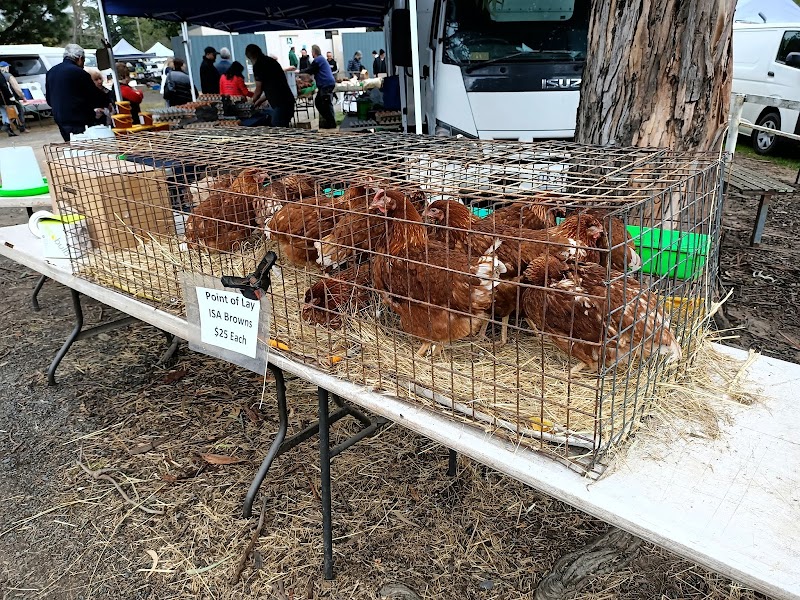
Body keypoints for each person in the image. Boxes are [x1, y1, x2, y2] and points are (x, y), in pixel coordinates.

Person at [45, 44, 107, 141]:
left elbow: (49, 99)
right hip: (79, 119)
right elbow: (94, 96)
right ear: (80, 58)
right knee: (86, 148)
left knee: (72, 147)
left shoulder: (51, 72)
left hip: (60, 118)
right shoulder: (79, 73)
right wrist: (107, 100)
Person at [245, 43, 295, 127]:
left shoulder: (258, 65)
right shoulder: (270, 61)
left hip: (279, 104)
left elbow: (258, 90)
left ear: (251, 56)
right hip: (287, 100)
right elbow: (273, 88)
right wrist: (259, 101)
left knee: (277, 130)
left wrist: (250, 103)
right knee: (283, 128)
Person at [300, 44, 336, 129]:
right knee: (322, 103)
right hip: (327, 84)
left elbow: (311, 69)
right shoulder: (321, 59)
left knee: (323, 103)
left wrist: (300, 72)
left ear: (314, 52)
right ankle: (330, 122)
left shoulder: (318, 60)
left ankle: (331, 123)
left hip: (325, 84)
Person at [0, 61, 26, 134]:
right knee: (16, 112)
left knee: (4, 113)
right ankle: (19, 127)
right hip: (8, 98)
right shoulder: (8, 76)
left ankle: (9, 129)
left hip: (1, 100)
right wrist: (21, 96)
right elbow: (15, 87)